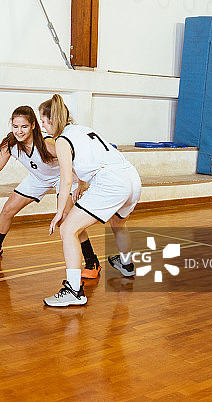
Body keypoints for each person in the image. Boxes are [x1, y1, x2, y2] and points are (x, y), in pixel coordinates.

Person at [0, 105, 100, 277]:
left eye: (24, 126)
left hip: (62, 177)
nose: (19, 131)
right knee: (7, 210)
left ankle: (92, 261)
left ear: (33, 126)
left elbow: (73, 161)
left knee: (67, 218)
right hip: (37, 178)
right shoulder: (10, 144)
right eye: (15, 126)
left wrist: (80, 183)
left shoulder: (47, 144)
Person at [41, 94, 141, 307]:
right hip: (131, 177)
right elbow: (94, 160)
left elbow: (65, 179)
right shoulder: (83, 130)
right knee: (119, 224)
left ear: (52, 120)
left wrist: (60, 213)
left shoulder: (60, 141)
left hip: (112, 183)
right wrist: (83, 186)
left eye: (43, 121)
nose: (43, 127)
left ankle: (74, 291)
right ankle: (126, 264)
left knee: (68, 229)